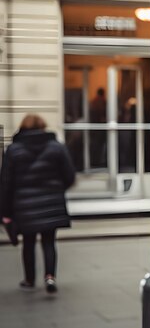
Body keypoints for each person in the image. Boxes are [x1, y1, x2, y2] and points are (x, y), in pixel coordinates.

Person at [0, 114, 76, 293]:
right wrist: (57, 189)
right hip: (51, 202)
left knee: (28, 242)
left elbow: (6, 182)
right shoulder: (56, 147)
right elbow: (69, 175)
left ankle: (29, 279)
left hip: (24, 205)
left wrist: (6, 210)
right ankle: (50, 277)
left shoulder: (13, 150)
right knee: (49, 241)